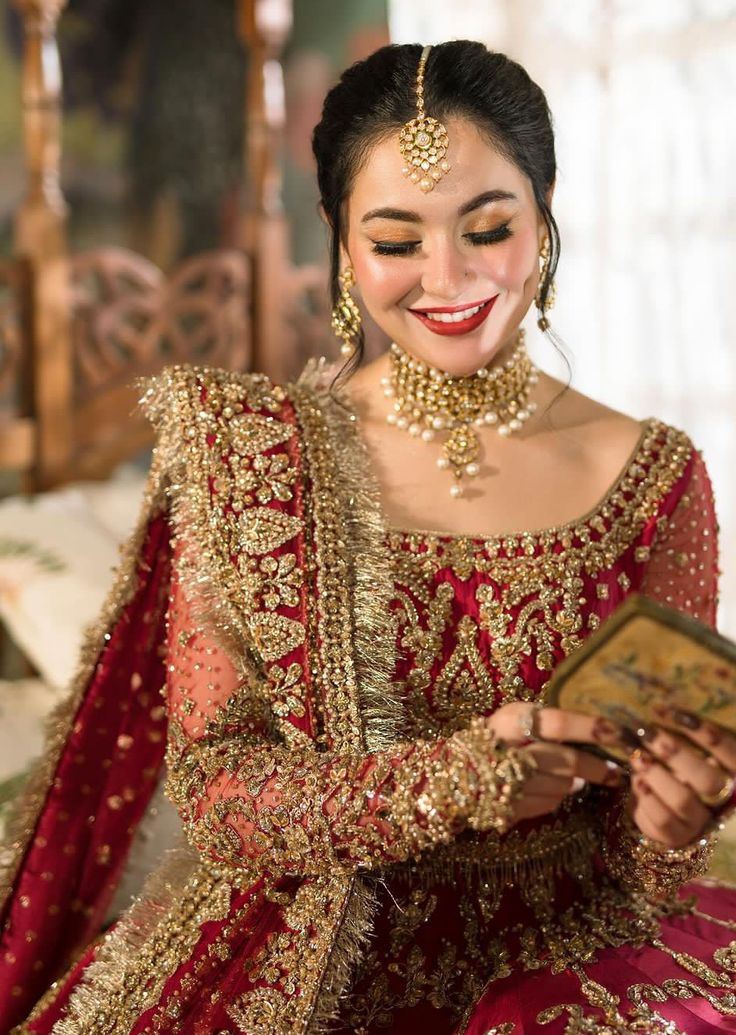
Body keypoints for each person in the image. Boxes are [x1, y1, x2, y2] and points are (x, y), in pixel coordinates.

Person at [1, 39, 736, 1035]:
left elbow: (649, 815)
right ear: (339, 241)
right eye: (396, 241)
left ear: (547, 209)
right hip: (315, 939)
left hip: (576, 942)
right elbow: (220, 789)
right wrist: (463, 778)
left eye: (488, 227)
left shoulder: (653, 473)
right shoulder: (253, 456)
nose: (448, 277)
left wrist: (669, 824)